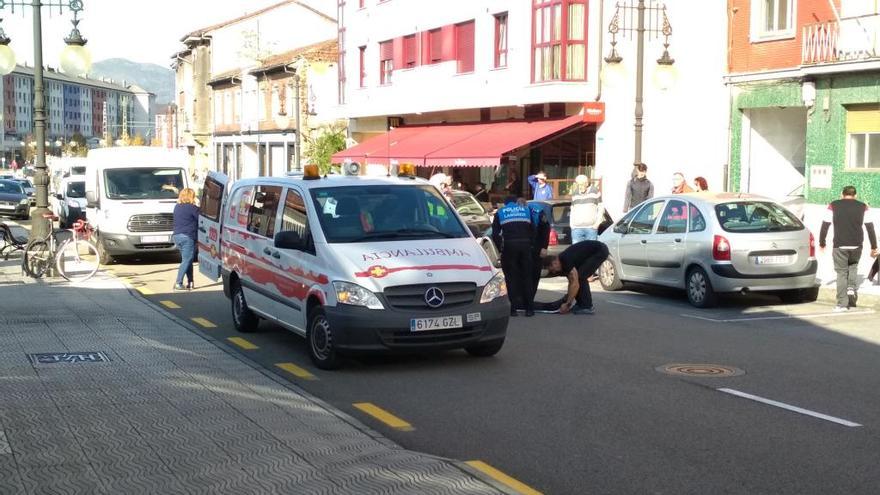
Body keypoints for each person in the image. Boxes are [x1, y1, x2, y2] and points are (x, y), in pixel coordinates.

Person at [819, 185, 878, 311]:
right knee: (853, 266)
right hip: (857, 245)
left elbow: (825, 225)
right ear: (855, 195)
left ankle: (842, 304)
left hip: (840, 245)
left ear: (842, 194)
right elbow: (870, 227)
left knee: (841, 273)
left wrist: (822, 242)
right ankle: (851, 288)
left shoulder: (833, 205)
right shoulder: (863, 206)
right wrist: (874, 246)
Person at [491, 196, 536, 317]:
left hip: (510, 246)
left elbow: (495, 234)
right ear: (516, 202)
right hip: (525, 246)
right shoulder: (526, 210)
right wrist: (531, 244)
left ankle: (513, 309)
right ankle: (529, 309)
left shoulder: (500, 212)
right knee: (527, 277)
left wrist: (500, 247)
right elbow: (533, 229)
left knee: (511, 277)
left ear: (505, 204)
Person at [543, 240, 609, 315]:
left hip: (600, 250)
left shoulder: (565, 259)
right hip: (592, 251)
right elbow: (571, 282)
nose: (554, 272)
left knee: (580, 277)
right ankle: (581, 304)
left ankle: (586, 306)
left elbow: (575, 283)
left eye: (553, 270)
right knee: (577, 277)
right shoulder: (563, 261)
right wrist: (568, 298)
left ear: (554, 263)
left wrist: (568, 304)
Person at [521, 198, 551, 303]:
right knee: (524, 274)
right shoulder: (518, 214)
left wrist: (544, 247)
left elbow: (546, 229)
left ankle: (530, 299)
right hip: (525, 248)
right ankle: (523, 299)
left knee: (535, 274)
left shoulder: (538, 212)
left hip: (537, 246)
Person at [172, 188, 200, 291]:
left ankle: (190, 282)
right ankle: (178, 283)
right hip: (187, 236)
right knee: (187, 260)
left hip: (177, 236)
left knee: (188, 259)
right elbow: (200, 218)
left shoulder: (177, 207)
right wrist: (198, 205)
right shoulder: (192, 208)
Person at [570, 175, 604, 243]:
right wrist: (572, 225)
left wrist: (597, 224)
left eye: (582, 184)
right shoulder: (575, 193)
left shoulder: (595, 191)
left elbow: (601, 208)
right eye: (578, 184)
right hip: (576, 229)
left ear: (587, 183)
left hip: (591, 228)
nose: (580, 187)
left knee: (590, 251)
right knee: (577, 252)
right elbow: (572, 210)